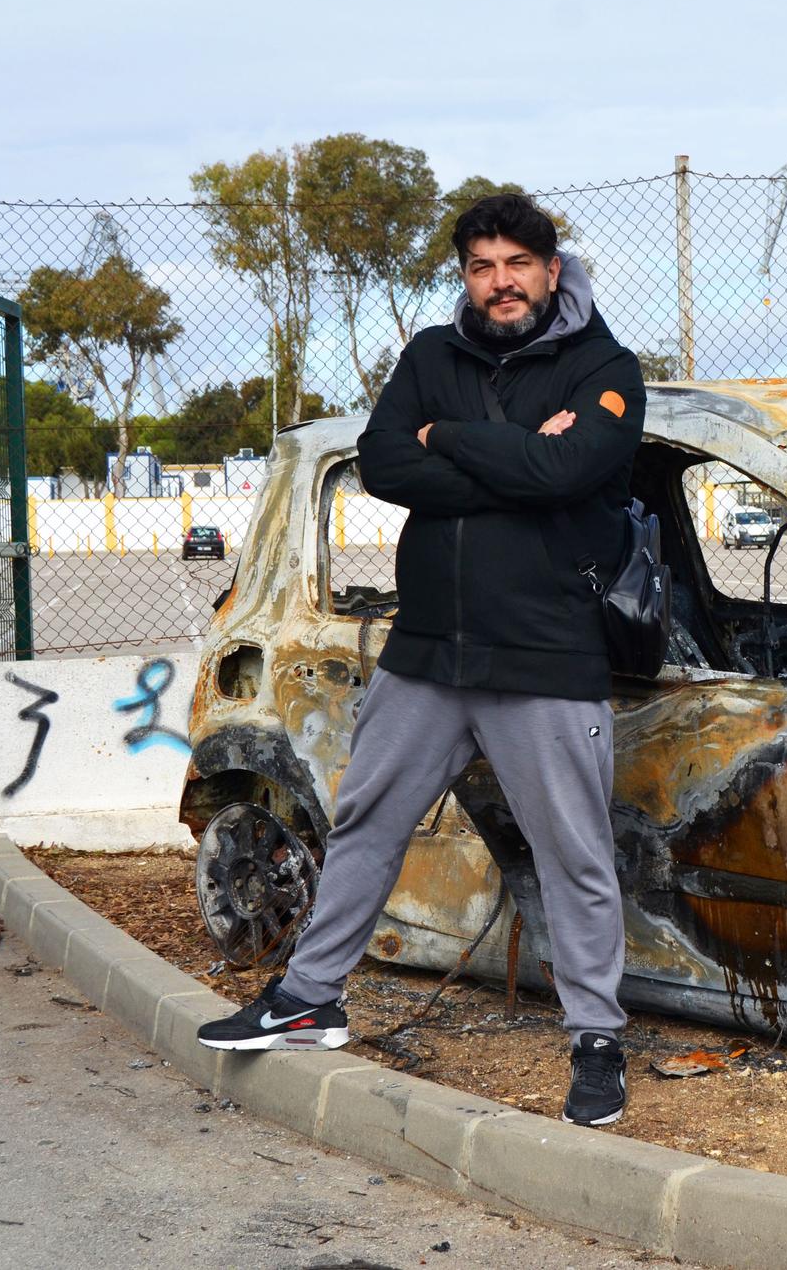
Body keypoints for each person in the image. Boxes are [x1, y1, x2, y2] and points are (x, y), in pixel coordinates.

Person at [198, 193, 647, 1129]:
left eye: (517, 263)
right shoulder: (431, 357)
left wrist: (449, 439)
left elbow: (565, 476)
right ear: (467, 277)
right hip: (430, 650)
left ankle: (597, 1041)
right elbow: (383, 462)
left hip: (546, 652)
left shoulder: (605, 369)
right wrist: (510, 458)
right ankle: (311, 996)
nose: (501, 282)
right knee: (365, 818)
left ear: (550, 270)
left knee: (575, 853)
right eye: (482, 266)